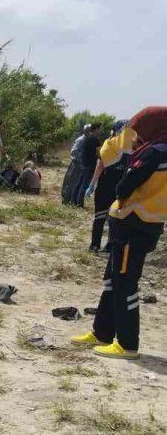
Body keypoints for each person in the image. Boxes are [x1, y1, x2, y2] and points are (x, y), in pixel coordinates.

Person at [71, 106, 167, 359]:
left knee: (124, 283)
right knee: (113, 280)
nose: (135, 135)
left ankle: (127, 343)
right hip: (146, 225)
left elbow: (123, 187)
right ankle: (102, 332)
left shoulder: (154, 153)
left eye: (139, 128)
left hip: (133, 225)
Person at [85, 119, 132, 253]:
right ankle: (110, 245)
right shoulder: (130, 148)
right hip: (120, 188)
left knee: (100, 217)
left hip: (105, 186)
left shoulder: (109, 145)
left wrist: (91, 184)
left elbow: (99, 166)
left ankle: (95, 245)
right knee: (114, 218)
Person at [71, 122, 102, 206]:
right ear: (96, 129)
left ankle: (73, 200)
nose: (100, 130)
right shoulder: (95, 139)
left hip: (83, 163)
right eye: (99, 129)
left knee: (79, 183)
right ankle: (79, 203)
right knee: (85, 184)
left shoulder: (86, 138)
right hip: (90, 165)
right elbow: (98, 153)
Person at [62, 124, 91, 204]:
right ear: (86, 131)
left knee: (78, 183)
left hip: (82, 165)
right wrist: (82, 159)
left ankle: (74, 200)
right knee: (71, 182)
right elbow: (74, 152)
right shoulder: (80, 140)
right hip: (76, 164)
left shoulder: (87, 140)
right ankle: (66, 199)